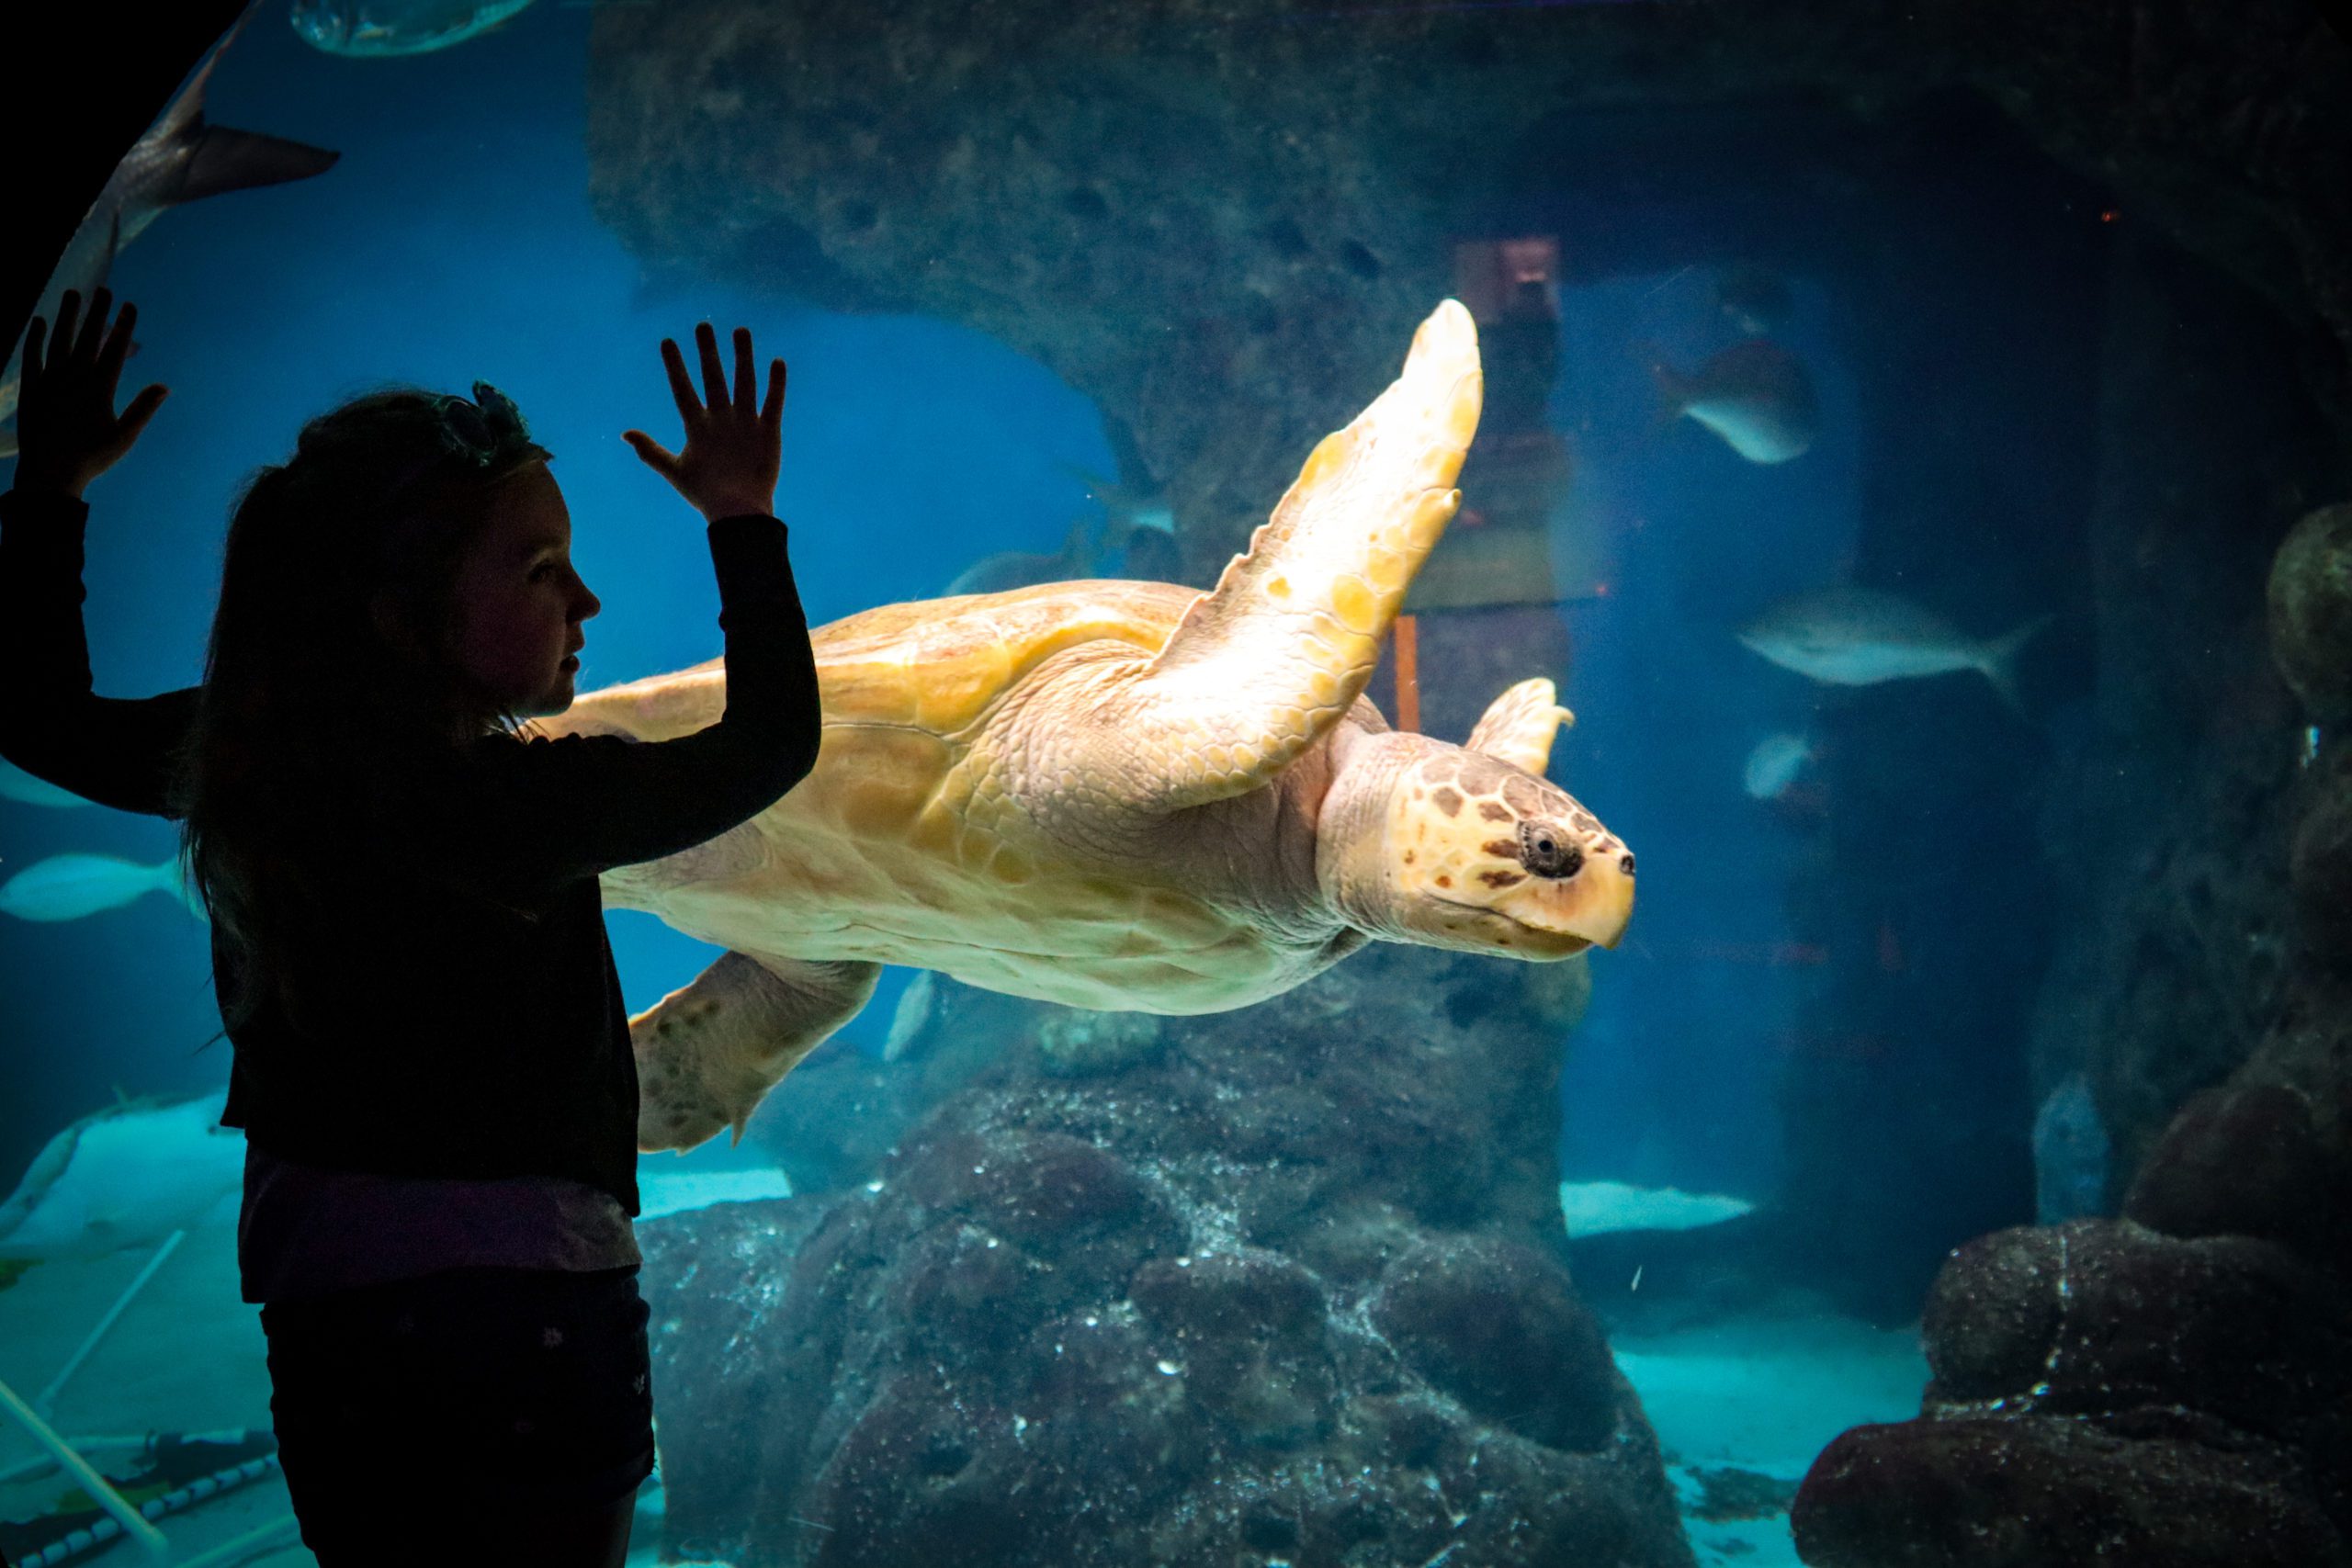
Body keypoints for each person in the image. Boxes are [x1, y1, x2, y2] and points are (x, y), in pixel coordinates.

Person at [0, 288, 822, 1564]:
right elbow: (770, 743)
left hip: (327, 1311)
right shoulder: (522, 801)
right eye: (543, 571)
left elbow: (38, 715)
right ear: (399, 613)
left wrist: (50, 490)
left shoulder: (242, 763)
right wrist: (742, 520)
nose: (586, 601)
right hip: (535, 1311)